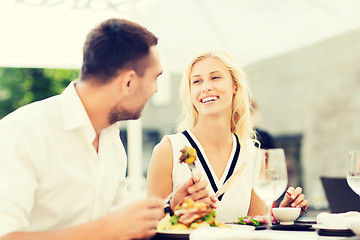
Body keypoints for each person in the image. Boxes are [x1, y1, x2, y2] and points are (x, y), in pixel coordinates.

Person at [0, 18, 210, 240]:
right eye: (154, 78)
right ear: (128, 82)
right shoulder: (24, 132)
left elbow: (119, 225)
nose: (155, 90)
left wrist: (170, 208)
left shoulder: (111, 141)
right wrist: (108, 230)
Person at [147, 50, 308, 222]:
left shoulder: (252, 155)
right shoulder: (168, 150)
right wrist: (174, 208)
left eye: (215, 77)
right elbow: (149, 225)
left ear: (235, 86)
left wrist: (281, 216)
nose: (206, 87)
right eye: (197, 81)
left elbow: (256, 226)